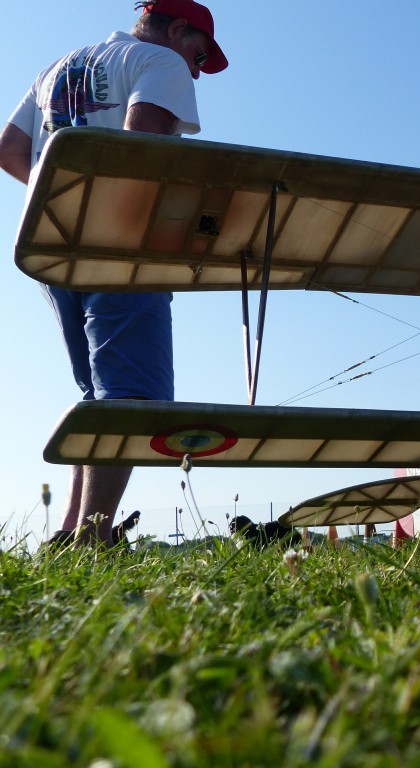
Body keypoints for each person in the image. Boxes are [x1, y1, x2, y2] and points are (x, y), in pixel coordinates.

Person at [0, 0, 228, 547]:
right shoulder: (159, 62)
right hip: (123, 242)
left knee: (96, 394)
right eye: (198, 54)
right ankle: (94, 540)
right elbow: (140, 145)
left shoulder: (58, 65)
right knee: (131, 396)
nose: (195, 70)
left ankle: (71, 531)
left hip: (54, 244)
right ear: (177, 30)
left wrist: (61, 201)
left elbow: (10, 151)